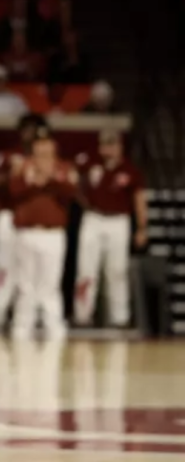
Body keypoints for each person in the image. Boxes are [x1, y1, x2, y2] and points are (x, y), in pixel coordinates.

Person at [74, 131, 147, 328]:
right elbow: (74, 184)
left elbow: (138, 199)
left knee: (116, 270)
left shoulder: (130, 170)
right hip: (94, 218)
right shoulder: (90, 165)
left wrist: (142, 227)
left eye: (112, 144)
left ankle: (119, 317)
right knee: (86, 269)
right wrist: (86, 204)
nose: (108, 149)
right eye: (105, 144)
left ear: (120, 147)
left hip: (118, 220)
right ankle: (82, 315)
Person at [10, 134, 76, 340]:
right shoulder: (23, 168)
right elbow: (12, 191)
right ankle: (22, 324)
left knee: (50, 282)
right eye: (39, 154)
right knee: (25, 281)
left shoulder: (64, 169)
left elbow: (71, 192)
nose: (43, 158)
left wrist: (50, 180)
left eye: (47, 154)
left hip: (53, 234)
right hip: (27, 232)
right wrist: (31, 181)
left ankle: (53, 324)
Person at [0, 114, 46, 328]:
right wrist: (14, 172)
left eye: (36, 129)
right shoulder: (8, 155)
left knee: (31, 269)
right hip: (9, 215)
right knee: (4, 265)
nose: (32, 134)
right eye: (27, 129)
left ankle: (28, 315)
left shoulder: (47, 160)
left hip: (34, 220)